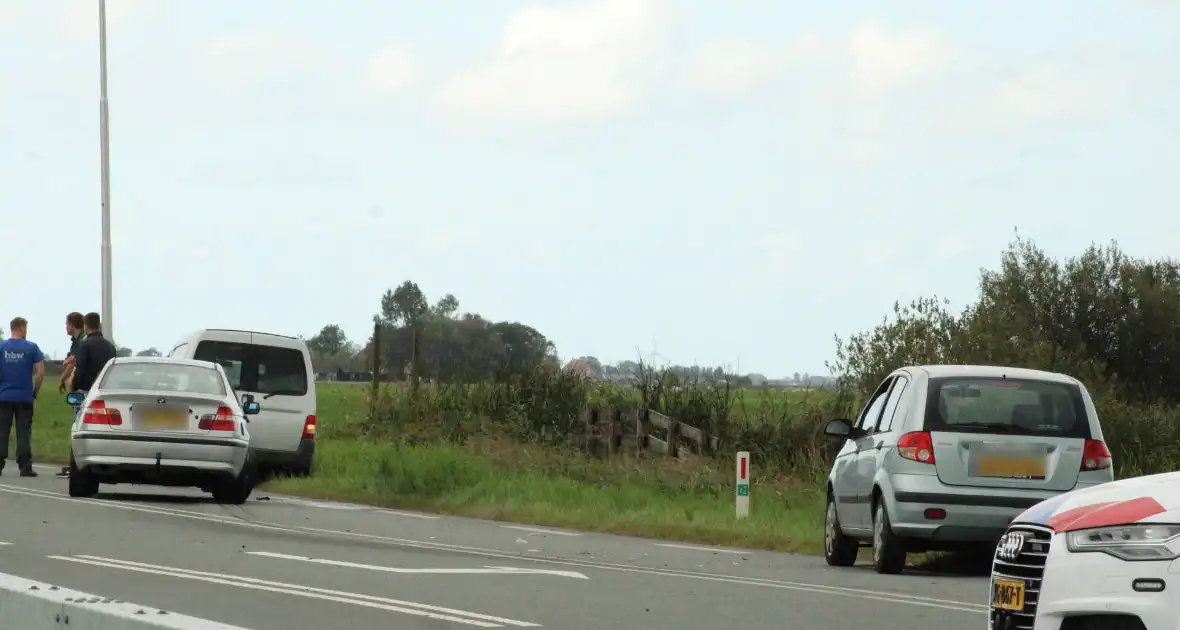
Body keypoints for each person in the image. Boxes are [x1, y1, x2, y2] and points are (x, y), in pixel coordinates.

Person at [58, 312, 118, 479]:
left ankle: (76, 466)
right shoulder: (110, 346)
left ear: (86, 325)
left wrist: (74, 387)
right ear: (98, 325)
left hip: (84, 392)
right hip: (104, 393)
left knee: (79, 429)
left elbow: (81, 369)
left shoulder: (84, 345)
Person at [0, 317, 46, 477]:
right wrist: (35, 391)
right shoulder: (32, 347)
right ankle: (25, 466)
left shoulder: (2, 347)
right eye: (25, 327)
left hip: (4, 396)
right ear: (20, 327)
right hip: (25, 397)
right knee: (24, 432)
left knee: (2, 431)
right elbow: (40, 372)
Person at [55, 312, 85, 478]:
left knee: (77, 427)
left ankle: (75, 466)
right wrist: (63, 378)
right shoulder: (76, 342)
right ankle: (73, 464)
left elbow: (73, 361)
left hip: (81, 389)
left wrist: (64, 376)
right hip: (77, 388)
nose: (65, 327)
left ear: (73, 325)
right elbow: (70, 361)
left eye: (67, 324)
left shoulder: (82, 342)